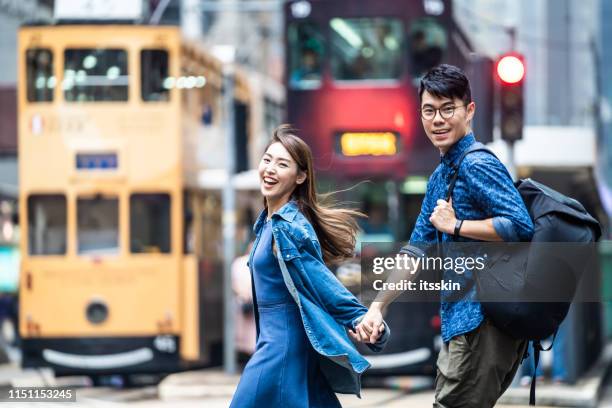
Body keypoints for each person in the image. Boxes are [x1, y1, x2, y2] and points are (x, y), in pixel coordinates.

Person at [354, 64, 535, 407]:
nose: (437, 119)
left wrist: (456, 226)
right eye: (429, 110)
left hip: (482, 321)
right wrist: (378, 306)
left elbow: (519, 226)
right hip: (460, 325)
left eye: (447, 109)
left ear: (469, 111)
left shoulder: (476, 164)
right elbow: (414, 251)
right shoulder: (442, 175)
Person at [230, 125, 389, 408]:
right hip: (280, 347)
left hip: (280, 352)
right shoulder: (267, 222)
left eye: (282, 164)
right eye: (267, 159)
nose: (270, 169)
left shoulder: (289, 228)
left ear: (300, 177)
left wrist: (360, 319)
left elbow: (323, 284)